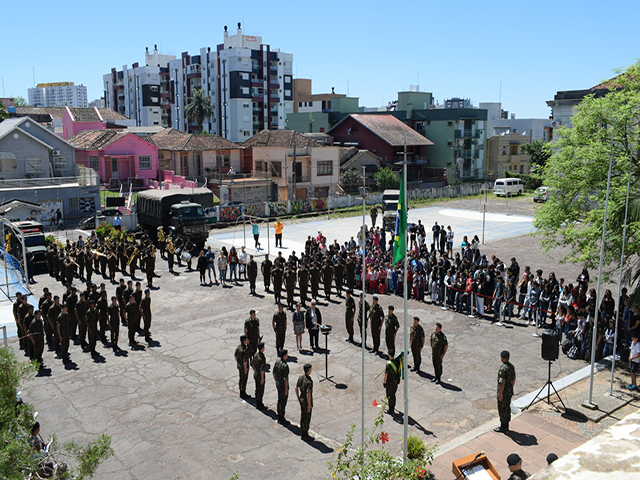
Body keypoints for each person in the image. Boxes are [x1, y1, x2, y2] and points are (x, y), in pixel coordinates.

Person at [495, 350, 516, 433]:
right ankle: (506, 425)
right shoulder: (511, 366)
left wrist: (500, 393)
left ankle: (503, 427)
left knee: (502, 409)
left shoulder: (503, 369)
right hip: (509, 391)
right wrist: (510, 388)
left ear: (503, 358)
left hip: (504, 392)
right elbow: (513, 379)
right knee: (507, 408)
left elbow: (502, 383)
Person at [296, 363, 314, 441]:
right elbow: (308, 394)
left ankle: (302, 431)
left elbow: (296, 387)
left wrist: (298, 397)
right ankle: (305, 434)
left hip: (301, 399)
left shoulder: (301, 378)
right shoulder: (309, 381)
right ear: (309, 371)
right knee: (307, 418)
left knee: (303, 416)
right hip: (306, 401)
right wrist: (309, 405)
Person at [273, 349, 290, 424]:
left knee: (279, 400)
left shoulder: (277, 362)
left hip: (278, 384)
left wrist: (276, 380)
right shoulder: (285, 366)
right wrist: (286, 389)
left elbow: (274, 373)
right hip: (283, 386)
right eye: (286, 354)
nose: (287, 356)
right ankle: (282, 418)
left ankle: (279, 416)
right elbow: (285, 379)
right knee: (283, 402)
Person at [252, 342, 267, 410]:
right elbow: (262, 369)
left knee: (257, 388)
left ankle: (257, 402)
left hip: (256, 373)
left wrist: (255, 370)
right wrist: (262, 378)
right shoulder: (262, 357)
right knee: (260, 390)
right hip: (260, 375)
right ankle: (260, 404)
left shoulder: (255, 354)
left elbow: (253, 364)